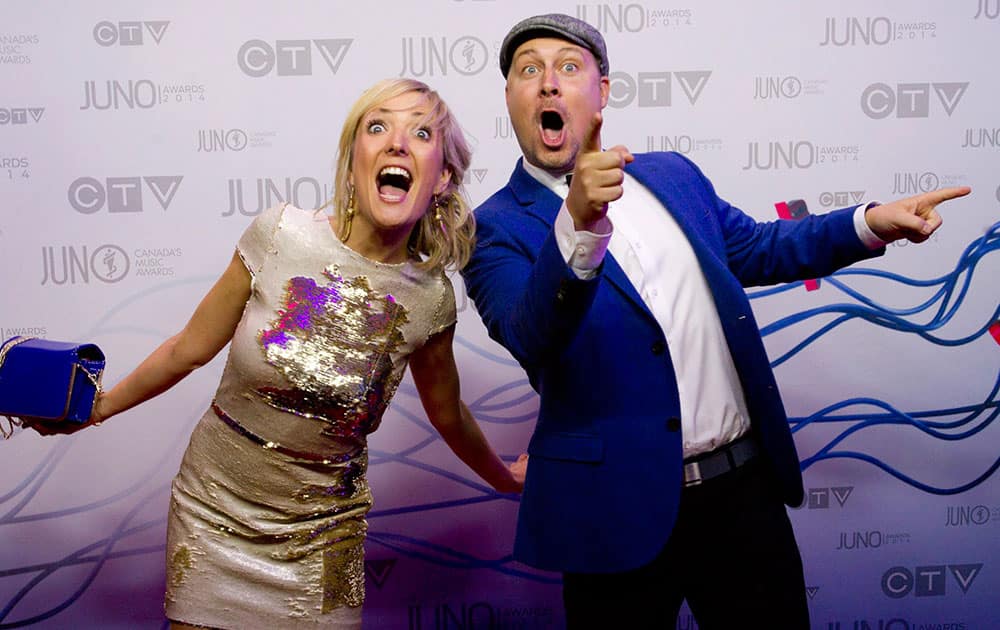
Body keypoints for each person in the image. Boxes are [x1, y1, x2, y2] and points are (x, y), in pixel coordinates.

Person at [460, 13, 971, 629]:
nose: (548, 83)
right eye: (528, 71)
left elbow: (758, 247)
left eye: (569, 67)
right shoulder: (491, 227)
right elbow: (530, 334)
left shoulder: (673, 175)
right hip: (612, 512)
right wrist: (578, 220)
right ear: (509, 97)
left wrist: (867, 223)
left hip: (741, 495)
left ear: (603, 92)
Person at [25, 78, 525, 630]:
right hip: (215, 510)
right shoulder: (280, 235)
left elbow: (447, 412)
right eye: (377, 126)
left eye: (421, 132)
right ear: (354, 158)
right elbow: (187, 350)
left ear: (443, 178)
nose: (397, 143)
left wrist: (504, 477)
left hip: (326, 530)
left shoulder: (431, 301)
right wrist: (98, 407)